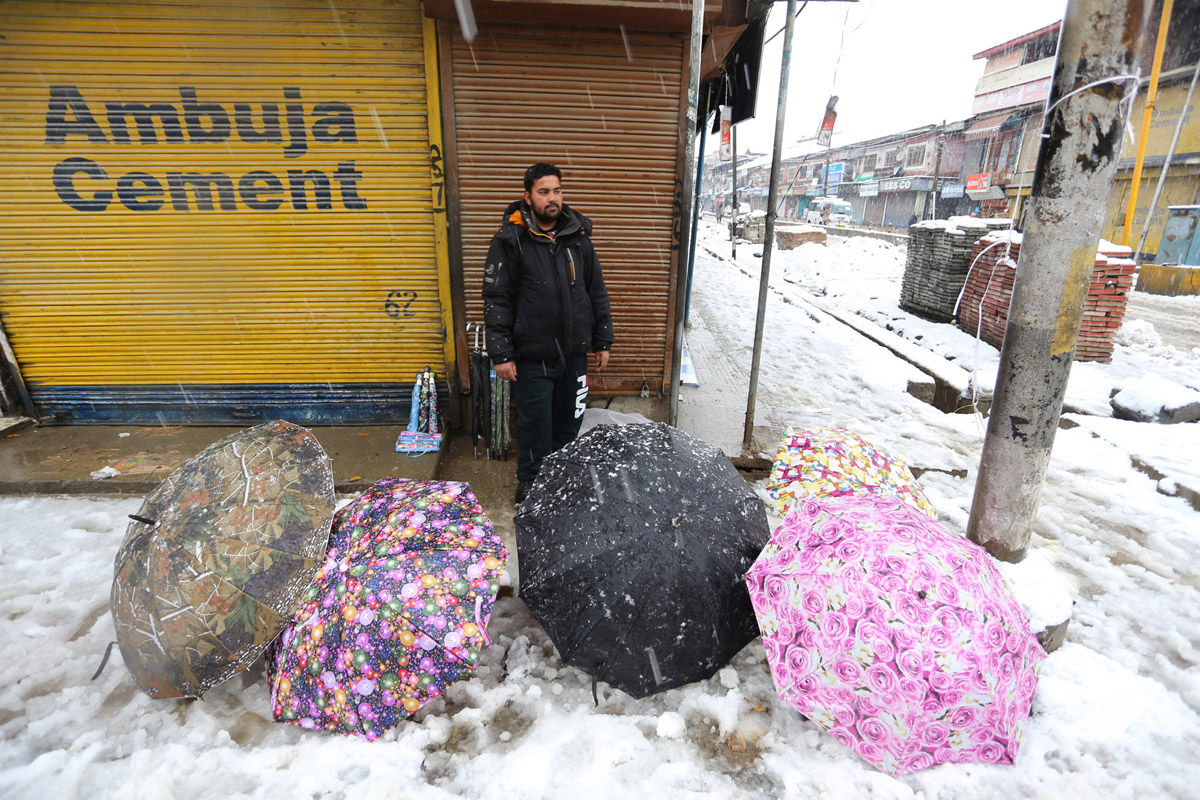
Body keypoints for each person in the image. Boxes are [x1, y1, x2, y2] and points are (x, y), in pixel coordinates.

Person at [482, 163, 614, 504]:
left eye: (557, 191)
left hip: (573, 355)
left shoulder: (578, 237)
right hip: (532, 355)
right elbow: (497, 298)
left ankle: (563, 477)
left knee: (569, 423)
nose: (552, 198)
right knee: (534, 426)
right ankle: (530, 482)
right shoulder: (510, 240)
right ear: (528, 197)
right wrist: (502, 353)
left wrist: (602, 340)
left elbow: (595, 290)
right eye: (543, 192)